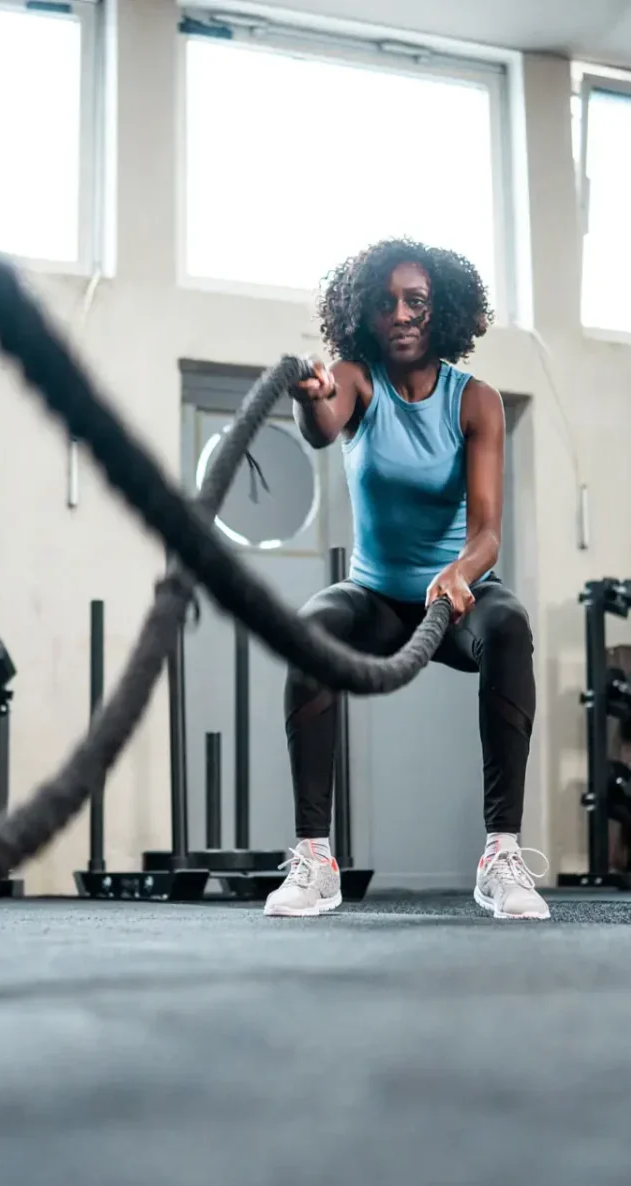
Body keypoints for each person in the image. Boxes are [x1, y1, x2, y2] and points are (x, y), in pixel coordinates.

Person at [264, 238, 548, 922]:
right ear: (365, 311)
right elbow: (323, 427)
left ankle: (502, 856)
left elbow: (487, 532)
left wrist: (460, 573)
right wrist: (309, 398)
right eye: (387, 301)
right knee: (311, 631)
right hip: (376, 596)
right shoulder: (356, 378)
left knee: (508, 626)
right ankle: (314, 860)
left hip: (455, 596)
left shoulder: (476, 401)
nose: (402, 313)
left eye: (416, 300)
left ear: (441, 309)